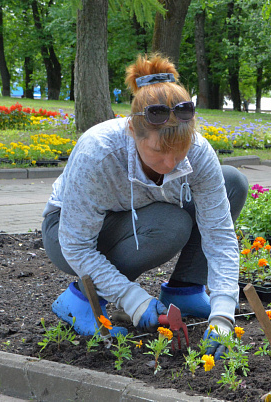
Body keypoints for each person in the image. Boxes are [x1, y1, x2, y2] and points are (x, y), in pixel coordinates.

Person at [41, 53, 248, 359]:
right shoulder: (98, 152)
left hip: (140, 214)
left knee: (232, 182)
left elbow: (219, 236)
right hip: (68, 232)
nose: (169, 163)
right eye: (158, 151)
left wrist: (222, 315)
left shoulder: (198, 151)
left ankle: (186, 289)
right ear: (132, 132)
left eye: (179, 152)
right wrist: (133, 300)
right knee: (170, 225)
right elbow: (75, 244)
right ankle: (82, 300)